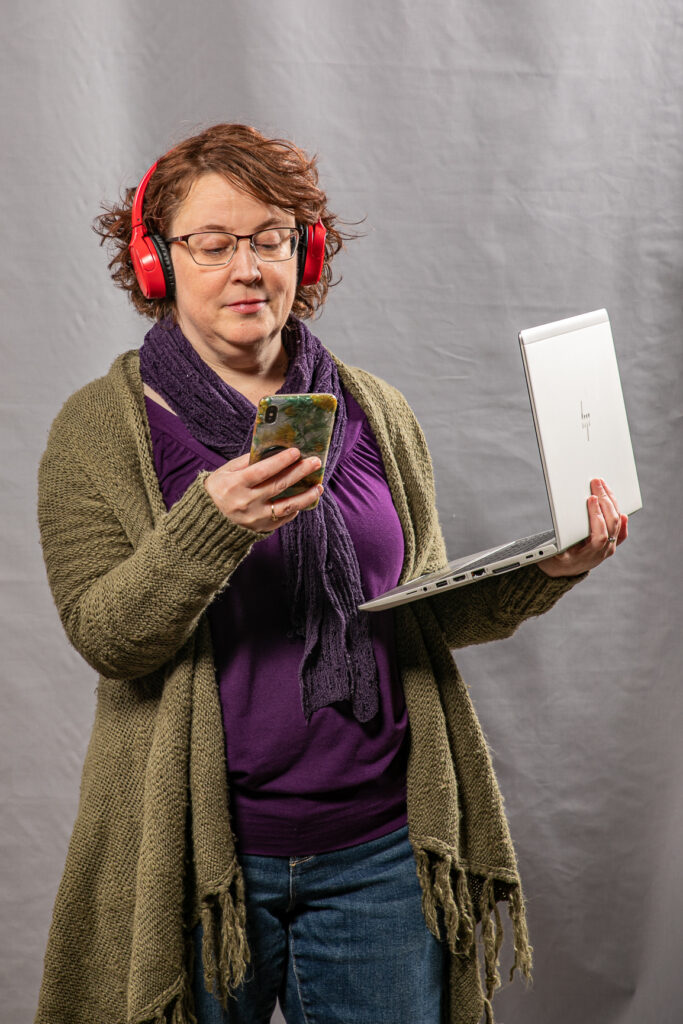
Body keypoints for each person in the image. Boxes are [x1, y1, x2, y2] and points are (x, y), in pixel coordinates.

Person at [35, 123, 628, 1024]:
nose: (245, 267)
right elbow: (110, 639)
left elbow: (416, 611)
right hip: (201, 856)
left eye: (269, 238)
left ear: (302, 252)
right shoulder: (96, 431)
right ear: (155, 264)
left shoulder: (373, 407)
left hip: (380, 852)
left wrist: (548, 566)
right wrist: (210, 526)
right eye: (212, 243)